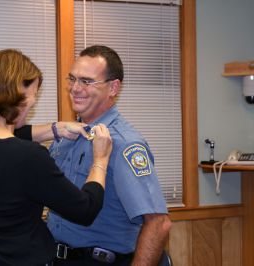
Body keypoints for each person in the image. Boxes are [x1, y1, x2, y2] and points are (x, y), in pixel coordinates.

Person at [0, 48, 113, 266]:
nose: (33, 102)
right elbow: (85, 210)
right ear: (16, 92)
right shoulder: (28, 157)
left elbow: (7, 135)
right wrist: (100, 160)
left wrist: (56, 129)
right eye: (34, 94)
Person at [47, 45, 172, 266]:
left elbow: (158, 223)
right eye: (72, 79)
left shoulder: (124, 144)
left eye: (86, 81)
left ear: (113, 88)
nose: (75, 88)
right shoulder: (66, 136)